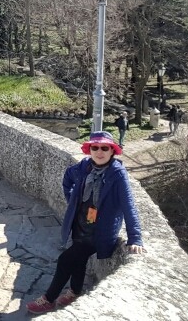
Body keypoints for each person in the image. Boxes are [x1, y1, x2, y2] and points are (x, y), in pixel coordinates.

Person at [26, 131, 145, 314]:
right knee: (78, 261)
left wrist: (135, 237)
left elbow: (128, 205)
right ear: (90, 150)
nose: (99, 152)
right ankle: (74, 292)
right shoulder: (84, 166)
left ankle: (48, 299)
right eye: (95, 147)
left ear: (112, 151)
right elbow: (67, 179)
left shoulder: (117, 174)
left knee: (65, 259)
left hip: (99, 232)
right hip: (80, 224)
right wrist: (72, 200)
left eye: (104, 148)